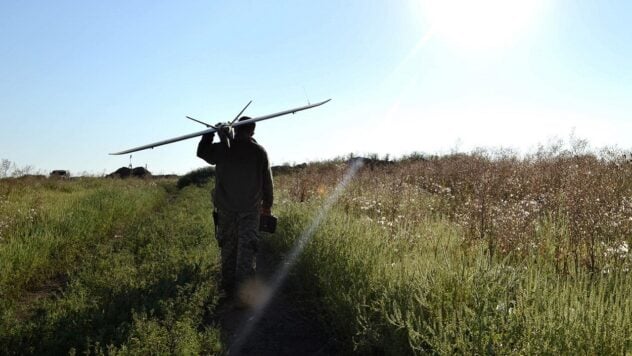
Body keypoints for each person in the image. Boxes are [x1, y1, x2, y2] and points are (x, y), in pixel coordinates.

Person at [196, 117, 273, 297]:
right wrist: (267, 206)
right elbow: (267, 183)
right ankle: (242, 294)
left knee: (228, 249)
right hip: (250, 211)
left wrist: (209, 133)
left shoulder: (222, 149)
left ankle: (228, 290)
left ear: (236, 130)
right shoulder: (259, 151)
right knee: (246, 250)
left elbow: (202, 152)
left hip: (226, 210)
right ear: (252, 131)